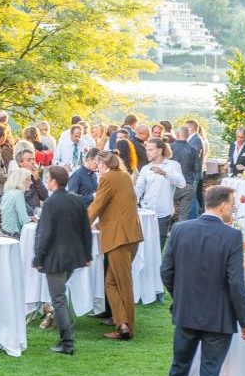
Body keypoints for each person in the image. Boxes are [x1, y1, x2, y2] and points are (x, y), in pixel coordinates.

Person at [160, 185, 245, 376]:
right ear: (222, 205)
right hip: (218, 316)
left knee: (179, 369)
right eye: (232, 204)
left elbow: (166, 271)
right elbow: (236, 283)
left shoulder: (181, 229)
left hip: (186, 312)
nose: (233, 209)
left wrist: (180, 296)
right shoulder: (231, 236)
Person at [33, 166, 92, 355]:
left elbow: (44, 233)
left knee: (58, 299)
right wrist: (87, 254)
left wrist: (38, 257)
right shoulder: (77, 200)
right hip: (73, 256)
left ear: (53, 181)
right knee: (60, 297)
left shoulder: (51, 203)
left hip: (56, 258)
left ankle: (67, 342)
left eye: (48, 178)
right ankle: (65, 338)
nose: (47, 181)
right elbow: (86, 229)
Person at [89, 151, 142, 340]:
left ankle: (129, 327)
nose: (97, 167)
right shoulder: (124, 176)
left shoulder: (108, 178)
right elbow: (119, 205)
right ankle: (122, 324)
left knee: (122, 283)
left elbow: (97, 205)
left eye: (98, 164)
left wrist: (82, 224)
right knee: (111, 283)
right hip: (131, 234)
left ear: (103, 164)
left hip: (118, 238)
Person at [135, 138, 185, 248]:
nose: (147, 152)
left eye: (150, 150)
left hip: (163, 213)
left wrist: (164, 173)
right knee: (144, 246)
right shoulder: (145, 168)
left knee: (158, 246)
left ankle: (158, 266)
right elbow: (139, 189)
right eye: (146, 150)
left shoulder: (173, 165)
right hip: (146, 211)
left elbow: (182, 183)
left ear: (159, 150)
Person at [169, 126, 199, 224]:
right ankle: (182, 233)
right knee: (184, 215)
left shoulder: (170, 147)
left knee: (167, 210)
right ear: (187, 135)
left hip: (172, 184)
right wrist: (194, 184)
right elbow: (197, 169)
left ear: (177, 135)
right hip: (187, 183)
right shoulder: (193, 149)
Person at [0, 168, 33, 238]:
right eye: (28, 180)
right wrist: (32, 219)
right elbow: (24, 220)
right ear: (22, 180)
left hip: (3, 232)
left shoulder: (8, 191)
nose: (31, 182)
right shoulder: (18, 194)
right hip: (13, 235)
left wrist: (29, 218)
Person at [16, 148, 48, 215]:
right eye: (29, 160)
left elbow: (45, 196)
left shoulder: (34, 176)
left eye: (33, 159)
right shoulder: (17, 178)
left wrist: (37, 180)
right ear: (20, 163)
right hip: (24, 216)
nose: (32, 162)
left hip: (36, 214)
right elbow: (18, 202)